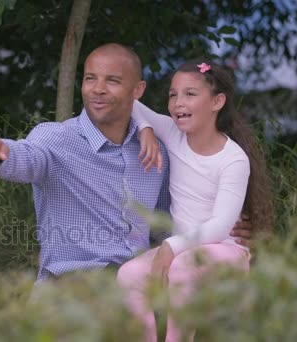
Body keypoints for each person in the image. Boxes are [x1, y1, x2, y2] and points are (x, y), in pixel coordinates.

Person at [0, 43, 253, 283]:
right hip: (74, 287)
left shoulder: (155, 155)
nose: (98, 89)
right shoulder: (56, 139)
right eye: (90, 78)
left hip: (134, 286)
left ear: (138, 90)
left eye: (112, 81)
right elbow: (27, 157)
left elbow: (164, 227)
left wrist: (222, 239)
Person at [116, 59, 274, 342]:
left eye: (190, 94)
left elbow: (220, 225)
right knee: (129, 274)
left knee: (181, 269)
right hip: (183, 251)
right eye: (173, 94)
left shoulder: (232, 159)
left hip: (226, 252)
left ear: (217, 102)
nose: (178, 102)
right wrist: (146, 129)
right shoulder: (173, 134)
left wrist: (170, 246)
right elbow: (133, 105)